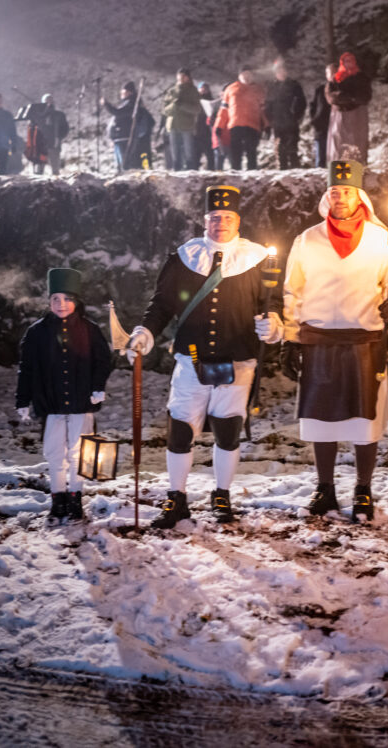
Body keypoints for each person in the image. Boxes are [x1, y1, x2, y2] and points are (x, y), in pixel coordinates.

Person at [127, 186, 283, 528]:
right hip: (190, 360)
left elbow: (273, 304)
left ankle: (221, 495)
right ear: (204, 221)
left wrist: (274, 325)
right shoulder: (183, 256)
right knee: (180, 428)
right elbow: (162, 305)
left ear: (238, 221)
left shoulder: (258, 259)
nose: (220, 223)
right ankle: (177, 498)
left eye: (227, 217)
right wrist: (146, 331)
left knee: (228, 431)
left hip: (238, 361)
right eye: (214, 217)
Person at [282, 160, 388, 520]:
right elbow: (293, 290)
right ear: (327, 196)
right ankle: (324, 489)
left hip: (363, 340)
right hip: (318, 339)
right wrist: (291, 339)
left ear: (359, 196)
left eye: (347, 192)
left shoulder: (382, 239)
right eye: (335, 192)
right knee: (322, 419)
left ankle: (363, 489)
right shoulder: (307, 240)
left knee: (363, 421)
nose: (341, 197)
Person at [15, 268, 112, 524]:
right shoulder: (36, 333)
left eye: (67, 299)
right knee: (55, 452)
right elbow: (27, 369)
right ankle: (57, 499)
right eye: (55, 299)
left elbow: (103, 360)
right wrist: (22, 400)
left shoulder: (90, 329)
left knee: (78, 453)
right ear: (48, 302)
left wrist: (98, 386)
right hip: (51, 404)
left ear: (76, 302)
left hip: (82, 402)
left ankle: (75, 497)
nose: (61, 304)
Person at [215, 68, 266, 170]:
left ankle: (252, 174)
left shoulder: (258, 90)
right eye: (244, 74)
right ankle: (235, 172)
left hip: (253, 124)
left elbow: (263, 110)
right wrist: (219, 125)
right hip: (235, 124)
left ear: (252, 76)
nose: (246, 77)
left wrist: (267, 124)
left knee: (251, 151)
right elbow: (224, 110)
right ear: (239, 76)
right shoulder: (231, 89)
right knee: (235, 152)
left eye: (249, 74)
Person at [325, 52, 371, 165]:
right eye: (346, 61)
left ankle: (358, 170)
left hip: (357, 116)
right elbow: (331, 96)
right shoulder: (336, 79)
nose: (348, 64)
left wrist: (349, 98)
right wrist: (347, 97)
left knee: (357, 142)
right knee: (339, 144)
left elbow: (365, 96)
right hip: (339, 117)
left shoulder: (361, 78)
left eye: (350, 61)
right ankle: (337, 172)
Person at [101, 81, 154, 172]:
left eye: (124, 92)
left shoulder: (131, 104)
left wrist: (106, 104)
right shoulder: (127, 104)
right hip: (119, 138)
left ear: (130, 92)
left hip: (124, 138)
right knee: (120, 165)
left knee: (124, 165)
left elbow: (117, 113)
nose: (122, 94)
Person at [265, 61, 306, 169]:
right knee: (280, 147)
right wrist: (271, 119)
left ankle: (295, 170)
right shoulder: (272, 87)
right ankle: (282, 169)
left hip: (291, 121)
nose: (281, 73)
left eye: (283, 70)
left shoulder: (294, 85)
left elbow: (301, 102)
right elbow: (268, 104)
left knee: (292, 147)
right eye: (278, 71)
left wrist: (296, 115)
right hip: (277, 121)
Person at [162, 68, 202, 171]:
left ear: (188, 77)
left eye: (184, 76)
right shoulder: (171, 91)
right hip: (173, 125)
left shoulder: (193, 91)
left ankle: (190, 171)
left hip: (187, 125)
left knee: (188, 152)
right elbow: (164, 110)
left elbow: (197, 109)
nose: (181, 78)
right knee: (175, 152)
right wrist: (174, 106)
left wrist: (182, 105)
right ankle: (176, 171)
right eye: (180, 75)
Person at [35, 94, 69, 175]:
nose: (49, 103)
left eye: (51, 100)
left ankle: (56, 184)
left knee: (55, 168)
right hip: (41, 145)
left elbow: (65, 128)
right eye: (47, 101)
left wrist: (59, 137)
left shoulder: (59, 115)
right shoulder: (39, 115)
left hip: (54, 143)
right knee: (39, 169)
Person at [310, 64, 335, 168]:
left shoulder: (342, 89)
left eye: (335, 72)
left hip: (336, 127)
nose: (333, 75)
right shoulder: (320, 89)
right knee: (321, 158)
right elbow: (313, 106)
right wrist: (314, 119)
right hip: (321, 127)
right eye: (330, 73)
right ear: (326, 75)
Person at [194, 82, 215, 170]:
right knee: (195, 154)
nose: (203, 90)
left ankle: (211, 170)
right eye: (201, 88)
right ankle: (193, 172)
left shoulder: (212, 101)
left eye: (205, 88)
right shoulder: (194, 101)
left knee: (210, 154)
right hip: (196, 131)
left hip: (208, 132)